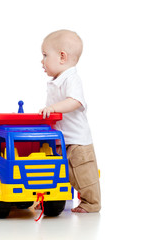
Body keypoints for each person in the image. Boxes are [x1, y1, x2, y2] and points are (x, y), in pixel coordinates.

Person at [39, 29, 101, 213]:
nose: (41, 61)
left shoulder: (72, 78)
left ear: (62, 57)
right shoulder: (57, 80)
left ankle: (92, 203)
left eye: (44, 55)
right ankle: (50, 200)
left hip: (77, 141)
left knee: (84, 174)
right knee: (62, 173)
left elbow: (75, 101)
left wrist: (53, 109)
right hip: (62, 139)